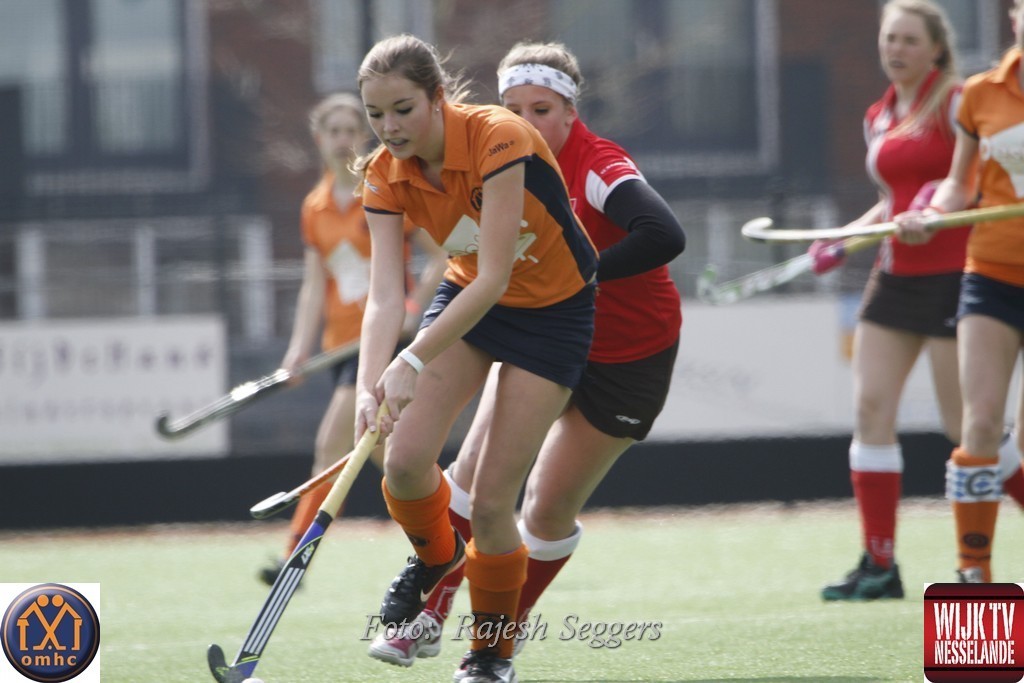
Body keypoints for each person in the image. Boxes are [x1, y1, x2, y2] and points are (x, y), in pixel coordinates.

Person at [367, 40, 685, 668]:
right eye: (513, 106)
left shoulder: (594, 164)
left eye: (541, 109)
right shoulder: (463, 157)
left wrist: (584, 271)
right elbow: (465, 273)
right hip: (508, 315)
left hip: (622, 352)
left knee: (539, 506)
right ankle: (430, 612)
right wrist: (374, 379)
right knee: (461, 481)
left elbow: (662, 233)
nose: (524, 120)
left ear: (569, 111)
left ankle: (494, 645)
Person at [354, 34, 600, 683]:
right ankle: (437, 559)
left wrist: (410, 361)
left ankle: (491, 655)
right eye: (375, 114)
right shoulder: (382, 173)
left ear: (437, 97)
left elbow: (496, 275)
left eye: (403, 109)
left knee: (491, 503)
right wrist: (366, 387)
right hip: (468, 298)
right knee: (403, 461)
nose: (389, 127)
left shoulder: (499, 136)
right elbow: (384, 297)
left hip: (551, 313)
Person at [815, 0, 1024, 601]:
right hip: (898, 273)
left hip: (955, 271)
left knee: (969, 426)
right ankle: (880, 563)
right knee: (870, 409)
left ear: (936, 48)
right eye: (890, 38)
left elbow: (972, 182)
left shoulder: (957, 99)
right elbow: (898, 199)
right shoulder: (879, 115)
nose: (896, 49)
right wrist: (846, 238)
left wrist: (933, 207)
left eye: (910, 39)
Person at [259, 92, 446, 585]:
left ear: (362, 137)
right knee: (394, 458)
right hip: (341, 345)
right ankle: (451, 537)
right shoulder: (314, 207)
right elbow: (314, 284)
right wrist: (298, 349)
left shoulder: (382, 190)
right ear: (318, 139)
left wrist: (412, 310)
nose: (343, 139)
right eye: (334, 131)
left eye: (350, 130)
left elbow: (443, 256)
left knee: (331, 447)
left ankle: (293, 560)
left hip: (382, 342)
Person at [895, 0, 1024, 584]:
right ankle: (975, 576)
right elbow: (958, 184)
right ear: (1013, 17)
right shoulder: (979, 94)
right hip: (990, 275)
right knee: (980, 424)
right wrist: (930, 212)